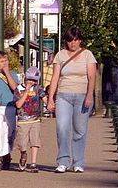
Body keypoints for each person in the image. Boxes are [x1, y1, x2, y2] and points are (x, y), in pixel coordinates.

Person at [46, 27, 98, 173]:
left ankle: (78, 162)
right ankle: (63, 161)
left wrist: (89, 95)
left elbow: (92, 77)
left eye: (75, 40)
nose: (73, 43)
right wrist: (51, 98)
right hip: (63, 95)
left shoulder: (88, 55)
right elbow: (55, 77)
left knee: (79, 130)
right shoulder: (60, 55)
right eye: (70, 40)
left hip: (82, 95)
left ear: (80, 40)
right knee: (62, 128)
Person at [13, 66, 44, 172]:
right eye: (29, 79)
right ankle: (23, 154)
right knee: (22, 143)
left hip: (35, 119)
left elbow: (44, 98)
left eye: (34, 80)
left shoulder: (38, 89)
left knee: (35, 141)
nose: (31, 82)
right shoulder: (18, 89)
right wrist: (26, 92)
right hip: (22, 120)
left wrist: (50, 103)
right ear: (25, 78)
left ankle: (33, 163)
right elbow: (18, 105)